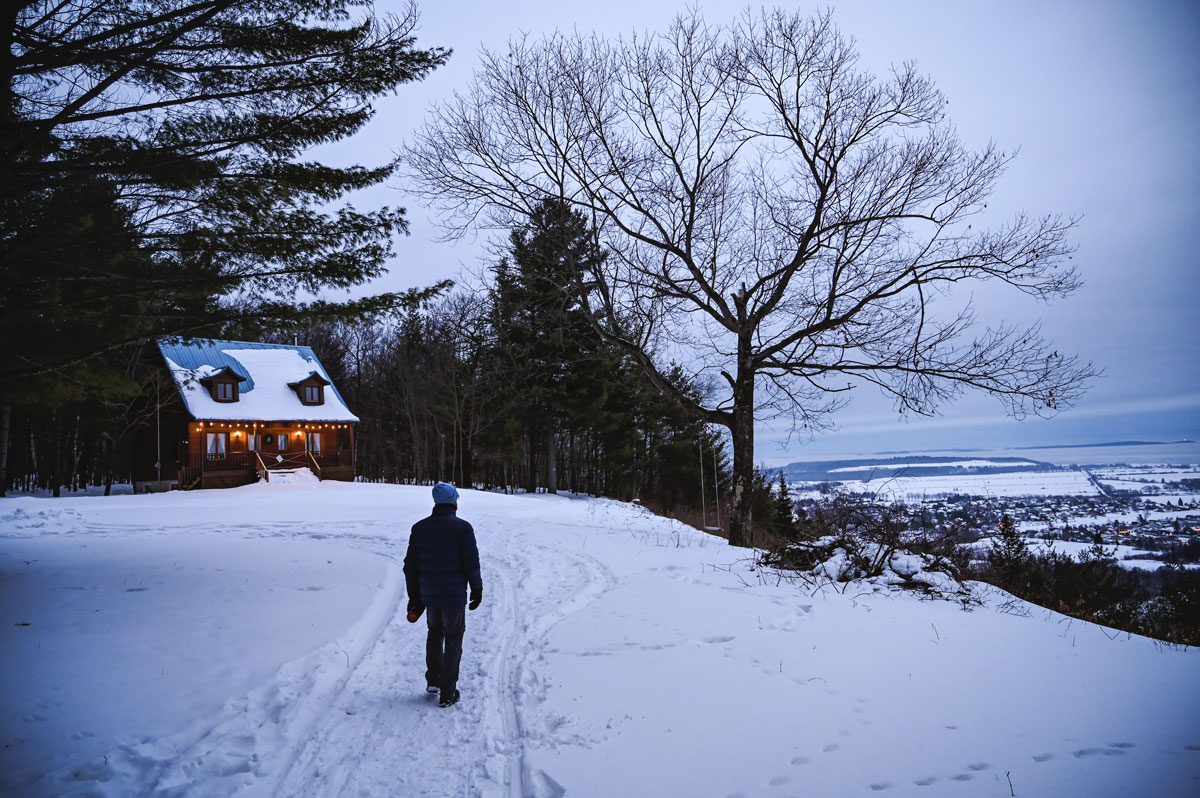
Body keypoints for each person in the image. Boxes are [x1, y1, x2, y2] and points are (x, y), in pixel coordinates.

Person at [403, 482, 483, 708]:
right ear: (453, 501)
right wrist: (477, 589)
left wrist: (414, 596)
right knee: (454, 637)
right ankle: (448, 692)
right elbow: (471, 563)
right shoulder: (463, 528)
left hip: (430, 595)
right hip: (453, 596)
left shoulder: (419, 528)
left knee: (435, 633)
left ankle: (433, 680)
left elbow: (410, 565)